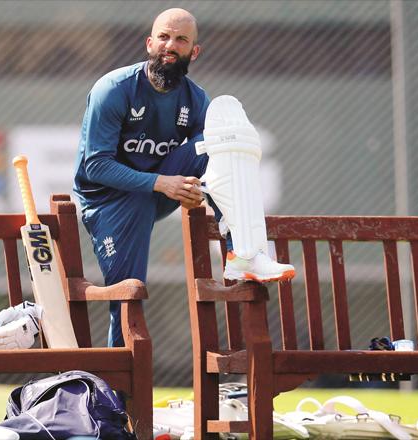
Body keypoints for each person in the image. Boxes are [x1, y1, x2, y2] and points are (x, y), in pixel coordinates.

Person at [73, 8, 295, 348]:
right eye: (163, 37)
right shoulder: (114, 89)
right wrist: (163, 184)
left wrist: (200, 189)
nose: (170, 45)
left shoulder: (195, 99)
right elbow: (96, 167)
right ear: (149, 43)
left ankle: (244, 253)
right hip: (109, 202)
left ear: (195, 51)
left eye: (181, 39)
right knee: (127, 298)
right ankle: (115, 399)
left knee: (224, 135)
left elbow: (210, 160)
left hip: (155, 189)